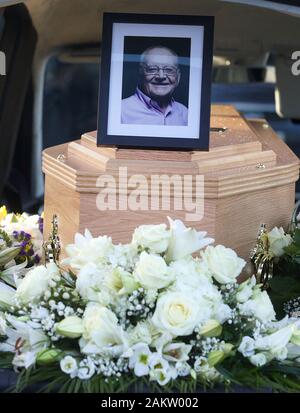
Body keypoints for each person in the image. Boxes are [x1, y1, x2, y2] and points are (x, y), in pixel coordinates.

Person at [121, 46, 188, 126]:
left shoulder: (185, 113)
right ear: (140, 74)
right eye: (152, 69)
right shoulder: (120, 111)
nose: (161, 76)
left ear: (178, 78)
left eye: (169, 70)